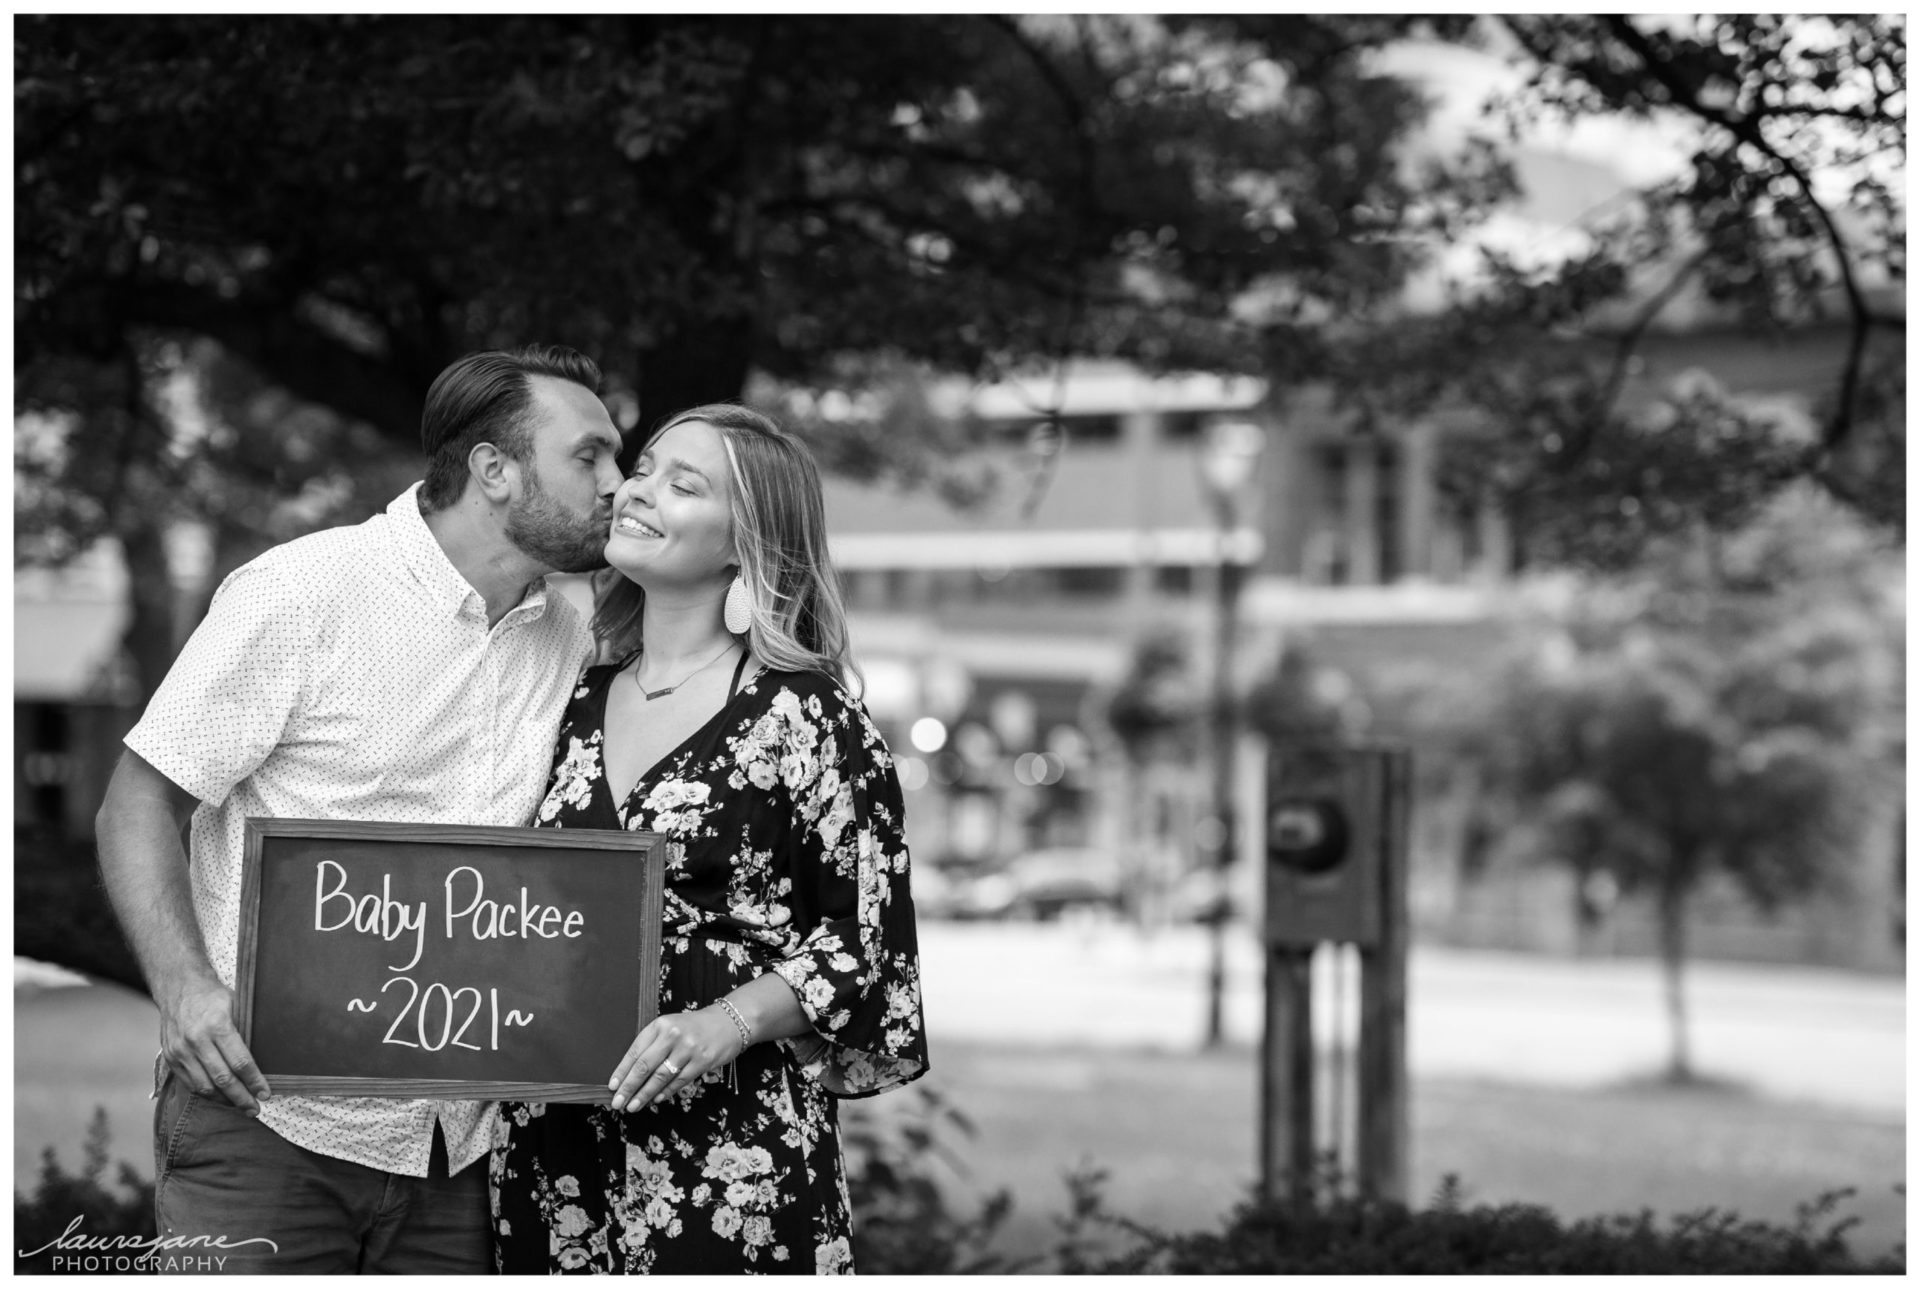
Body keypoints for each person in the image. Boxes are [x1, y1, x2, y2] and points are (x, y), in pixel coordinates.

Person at [94, 344, 625, 1273]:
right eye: (591, 455)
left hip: (463, 1144)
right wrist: (182, 989)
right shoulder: (303, 592)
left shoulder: (578, 634)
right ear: (494, 469)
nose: (617, 483)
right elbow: (139, 801)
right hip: (267, 1124)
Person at [490, 403, 928, 1275]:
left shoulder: (808, 715)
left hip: (734, 1149)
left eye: (682, 484)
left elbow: (864, 943)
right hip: (555, 1140)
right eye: (644, 469)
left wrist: (725, 1022)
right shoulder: (569, 700)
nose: (638, 491)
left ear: (745, 543)